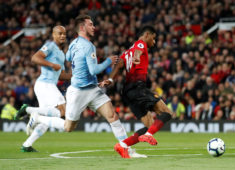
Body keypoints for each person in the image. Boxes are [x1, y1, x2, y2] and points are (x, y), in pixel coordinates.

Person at [23, 14, 145, 158]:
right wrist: (108, 61)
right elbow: (94, 70)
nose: (94, 27)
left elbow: (68, 57)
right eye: (91, 24)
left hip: (92, 89)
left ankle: (126, 149)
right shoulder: (88, 46)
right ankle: (38, 118)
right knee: (68, 127)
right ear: (82, 27)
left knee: (112, 116)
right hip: (78, 92)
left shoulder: (74, 43)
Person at [100, 26, 175, 158]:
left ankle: (123, 145)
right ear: (147, 35)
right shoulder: (141, 44)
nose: (154, 42)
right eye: (154, 38)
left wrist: (111, 79)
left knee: (150, 125)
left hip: (128, 92)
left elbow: (119, 65)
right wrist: (137, 57)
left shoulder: (126, 52)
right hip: (138, 88)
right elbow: (138, 51)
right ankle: (148, 135)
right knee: (167, 113)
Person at [15, 26, 71, 152]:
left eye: (64, 34)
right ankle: (28, 110)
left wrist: (76, 76)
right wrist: (51, 64)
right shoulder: (50, 45)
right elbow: (35, 58)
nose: (62, 36)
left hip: (46, 86)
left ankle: (27, 145)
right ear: (53, 34)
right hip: (45, 84)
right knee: (62, 111)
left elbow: (61, 74)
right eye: (59, 33)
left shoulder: (62, 54)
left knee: (49, 119)